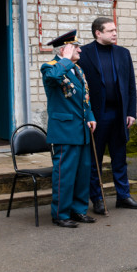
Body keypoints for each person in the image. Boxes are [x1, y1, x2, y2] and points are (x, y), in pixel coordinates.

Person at [77, 17, 137, 214]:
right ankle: (97, 199)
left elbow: (131, 84)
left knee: (119, 157)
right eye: (110, 30)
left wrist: (131, 112)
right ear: (98, 33)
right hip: (97, 117)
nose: (115, 33)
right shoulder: (84, 53)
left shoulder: (123, 53)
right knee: (95, 160)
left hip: (120, 115)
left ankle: (123, 196)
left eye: (115, 30)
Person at [41, 30, 97, 228]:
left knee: (82, 173)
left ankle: (78, 210)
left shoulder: (78, 70)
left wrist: (90, 117)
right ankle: (60, 214)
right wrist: (64, 59)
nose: (81, 50)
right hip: (64, 131)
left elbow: (84, 99)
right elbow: (54, 78)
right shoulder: (50, 67)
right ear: (64, 49)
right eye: (76, 47)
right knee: (64, 175)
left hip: (82, 130)